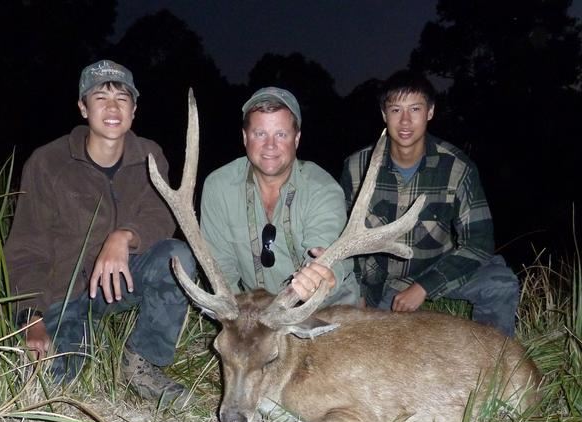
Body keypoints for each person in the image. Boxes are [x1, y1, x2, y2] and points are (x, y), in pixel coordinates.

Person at [5, 59, 196, 404]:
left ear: (134, 110)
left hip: (121, 281)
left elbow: (160, 214)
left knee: (176, 257)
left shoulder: (150, 156)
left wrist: (124, 236)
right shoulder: (48, 163)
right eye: (100, 98)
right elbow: (27, 249)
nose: (112, 108)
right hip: (63, 295)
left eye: (122, 99)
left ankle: (143, 363)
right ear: (83, 107)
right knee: (55, 386)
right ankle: (79, 340)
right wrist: (31, 320)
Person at [340, 70, 519, 337]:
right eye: (396, 110)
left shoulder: (458, 167)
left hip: (439, 265)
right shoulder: (357, 167)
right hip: (383, 280)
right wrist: (359, 295)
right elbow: (345, 241)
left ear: (430, 112)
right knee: (372, 343)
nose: (405, 121)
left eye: (415, 109)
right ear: (384, 114)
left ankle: (493, 356)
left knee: (501, 284)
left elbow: (479, 242)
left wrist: (424, 287)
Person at [200, 87, 359, 305]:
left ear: (297, 139)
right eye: (260, 134)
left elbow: (327, 251)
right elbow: (220, 269)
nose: (270, 145)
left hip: (322, 304)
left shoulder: (322, 188)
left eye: (281, 134)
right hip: (258, 310)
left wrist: (323, 274)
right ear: (245, 137)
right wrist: (236, 313)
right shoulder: (219, 187)